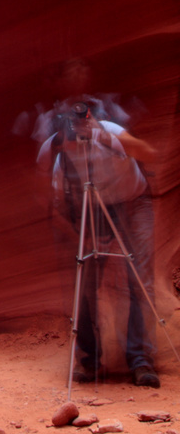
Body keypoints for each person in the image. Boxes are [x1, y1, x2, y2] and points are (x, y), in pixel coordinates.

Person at [37, 86, 159, 388]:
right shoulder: (58, 156)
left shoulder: (109, 132)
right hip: (92, 209)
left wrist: (106, 138)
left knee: (139, 279)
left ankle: (141, 361)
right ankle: (90, 362)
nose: (76, 145)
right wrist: (86, 242)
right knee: (86, 279)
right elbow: (56, 212)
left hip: (132, 202)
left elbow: (149, 153)